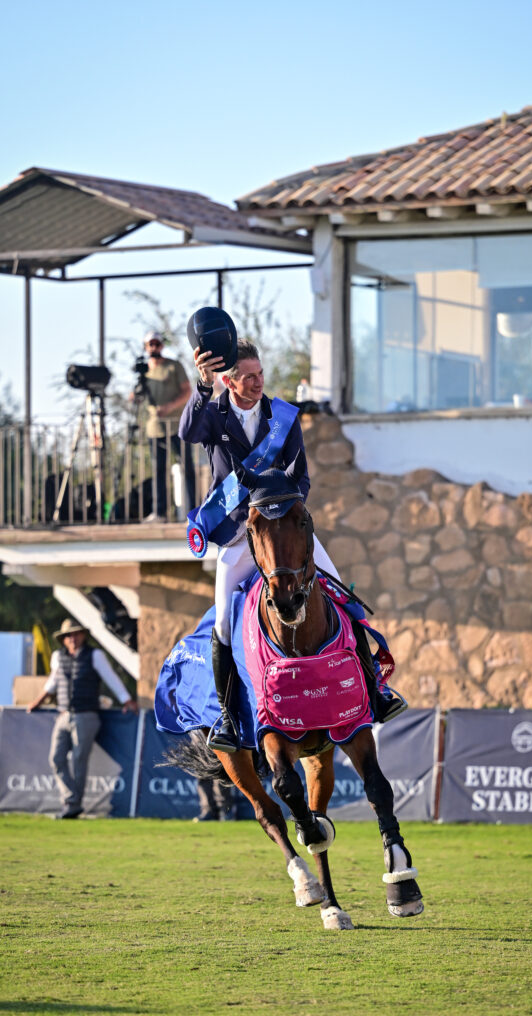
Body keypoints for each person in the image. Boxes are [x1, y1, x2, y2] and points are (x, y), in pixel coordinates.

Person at [179, 307, 402, 753]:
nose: (258, 382)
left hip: (284, 532)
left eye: (260, 373)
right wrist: (200, 385)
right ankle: (226, 718)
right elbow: (187, 431)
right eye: (247, 376)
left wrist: (278, 507)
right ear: (227, 380)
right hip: (238, 538)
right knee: (222, 623)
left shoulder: (282, 417)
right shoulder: (214, 416)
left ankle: (375, 691)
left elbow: (301, 478)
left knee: (342, 596)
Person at [27, 618, 138, 819]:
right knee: (56, 758)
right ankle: (71, 798)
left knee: (79, 759)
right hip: (64, 714)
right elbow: (53, 683)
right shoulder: (58, 657)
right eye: (68, 635)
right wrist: (37, 701)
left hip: (86, 714)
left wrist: (127, 700)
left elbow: (111, 678)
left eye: (76, 634)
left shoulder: (95, 655)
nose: (72, 638)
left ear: (83, 635)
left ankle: (72, 804)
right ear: (63, 639)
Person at [140, 330, 196, 519]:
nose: (154, 347)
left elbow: (187, 392)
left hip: (177, 426)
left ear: (162, 345)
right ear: (146, 347)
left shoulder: (173, 366)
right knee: (158, 470)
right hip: (154, 429)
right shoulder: (144, 371)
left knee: (187, 467)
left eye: (157, 343)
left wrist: (169, 407)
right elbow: (136, 398)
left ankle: (194, 510)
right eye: (151, 344)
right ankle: (160, 512)